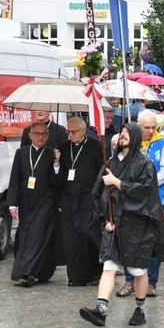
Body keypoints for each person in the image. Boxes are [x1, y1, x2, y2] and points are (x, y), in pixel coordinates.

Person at [79, 123, 164, 327]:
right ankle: (101, 310)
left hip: (137, 226)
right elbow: (98, 193)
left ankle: (139, 308)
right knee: (109, 266)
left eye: (127, 133)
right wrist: (105, 219)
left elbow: (145, 192)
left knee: (138, 270)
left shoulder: (145, 164)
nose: (122, 136)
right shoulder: (110, 164)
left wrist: (118, 183)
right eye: (121, 133)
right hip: (114, 226)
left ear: (136, 137)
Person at [116, 110, 164, 298]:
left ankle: (151, 283)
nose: (150, 131)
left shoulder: (162, 143)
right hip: (130, 201)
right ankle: (130, 281)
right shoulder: (130, 145)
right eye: (146, 127)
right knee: (128, 241)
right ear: (138, 126)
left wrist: (147, 184)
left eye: (153, 127)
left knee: (151, 242)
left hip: (156, 200)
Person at [8, 122, 60, 287]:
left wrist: (57, 165)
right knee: (25, 234)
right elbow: (14, 179)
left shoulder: (52, 154)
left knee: (38, 235)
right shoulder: (22, 153)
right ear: (30, 135)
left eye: (44, 134)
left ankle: (27, 272)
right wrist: (11, 204)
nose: (41, 137)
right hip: (26, 200)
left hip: (45, 201)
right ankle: (35, 271)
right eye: (37, 134)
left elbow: (56, 182)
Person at [55, 117, 105, 286]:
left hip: (88, 198)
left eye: (74, 132)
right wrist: (56, 163)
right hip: (69, 199)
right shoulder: (63, 148)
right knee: (71, 237)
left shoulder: (95, 147)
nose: (70, 135)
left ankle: (94, 273)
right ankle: (75, 276)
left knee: (87, 233)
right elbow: (59, 176)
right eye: (68, 132)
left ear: (83, 131)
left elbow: (101, 172)